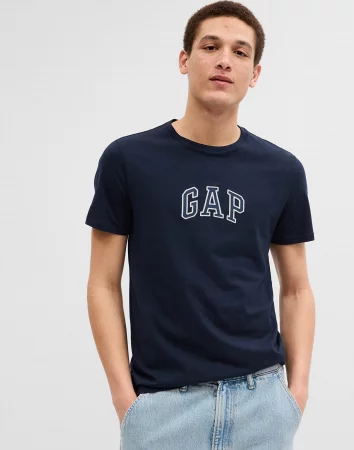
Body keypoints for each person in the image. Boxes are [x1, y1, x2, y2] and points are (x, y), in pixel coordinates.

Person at [85, 1, 315, 449]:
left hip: (262, 403)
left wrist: (296, 392)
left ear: (255, 73)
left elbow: (296, 288)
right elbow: (102, 283)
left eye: (240, 52)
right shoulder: (128, 160)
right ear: (184, 60)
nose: (225, 60)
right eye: (211, 47)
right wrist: (125, 399)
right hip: (162, 409)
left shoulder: (282, 170)